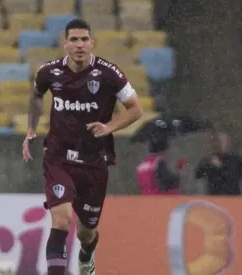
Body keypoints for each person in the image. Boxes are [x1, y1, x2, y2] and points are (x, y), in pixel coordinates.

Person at [21, 19, 143, 275]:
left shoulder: (110, 74)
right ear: (65, 44)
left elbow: (136, 109)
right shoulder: (49, 72)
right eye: (74, 40)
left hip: (94, 161)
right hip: (58, 157)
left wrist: (109, 127)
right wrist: (31, 129)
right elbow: (36, 95)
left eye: (84, 39)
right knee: (62, 220)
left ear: (92, 42)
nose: (79, 45)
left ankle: (86, 256)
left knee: (87, 233)